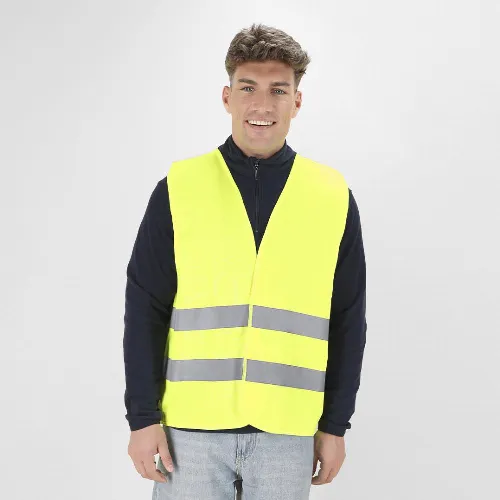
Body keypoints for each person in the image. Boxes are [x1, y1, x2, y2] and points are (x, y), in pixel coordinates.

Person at [123, 23, 367, 500]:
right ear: (227, 96)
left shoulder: (332, 196)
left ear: (297, 101)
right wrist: (142, 418)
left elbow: (347, 319)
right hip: (188, 432)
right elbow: (145, 308)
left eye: (279, 90)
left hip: (288, 431)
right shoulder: (180, 188)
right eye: (248, 88)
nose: (262, 105)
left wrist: (335, 425)